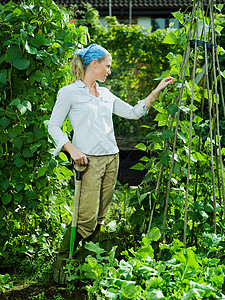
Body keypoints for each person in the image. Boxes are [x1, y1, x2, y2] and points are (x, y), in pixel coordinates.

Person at [48, 44, 175, 284]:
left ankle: (85, 270)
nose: (109, 71)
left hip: (112, 159)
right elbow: (53, 126)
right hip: (88, 162)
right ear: (93, 64)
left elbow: (134, 112)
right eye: (107, 66)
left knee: (100, 217)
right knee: (84, 216)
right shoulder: (69, 93)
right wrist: (72, 149)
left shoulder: (106, 94)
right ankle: (63, 267)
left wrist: (156, 91)